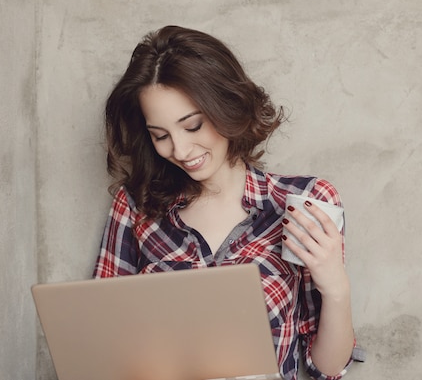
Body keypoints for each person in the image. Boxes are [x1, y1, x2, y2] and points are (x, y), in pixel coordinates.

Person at [93, 25, 358, 380]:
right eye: (160, 135)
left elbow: (325, 369)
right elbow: (99, 351)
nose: (181, 150)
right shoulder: (136, 206)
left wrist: (336, 289)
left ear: (226, 107)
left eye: (193, 126)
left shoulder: (303, 204)